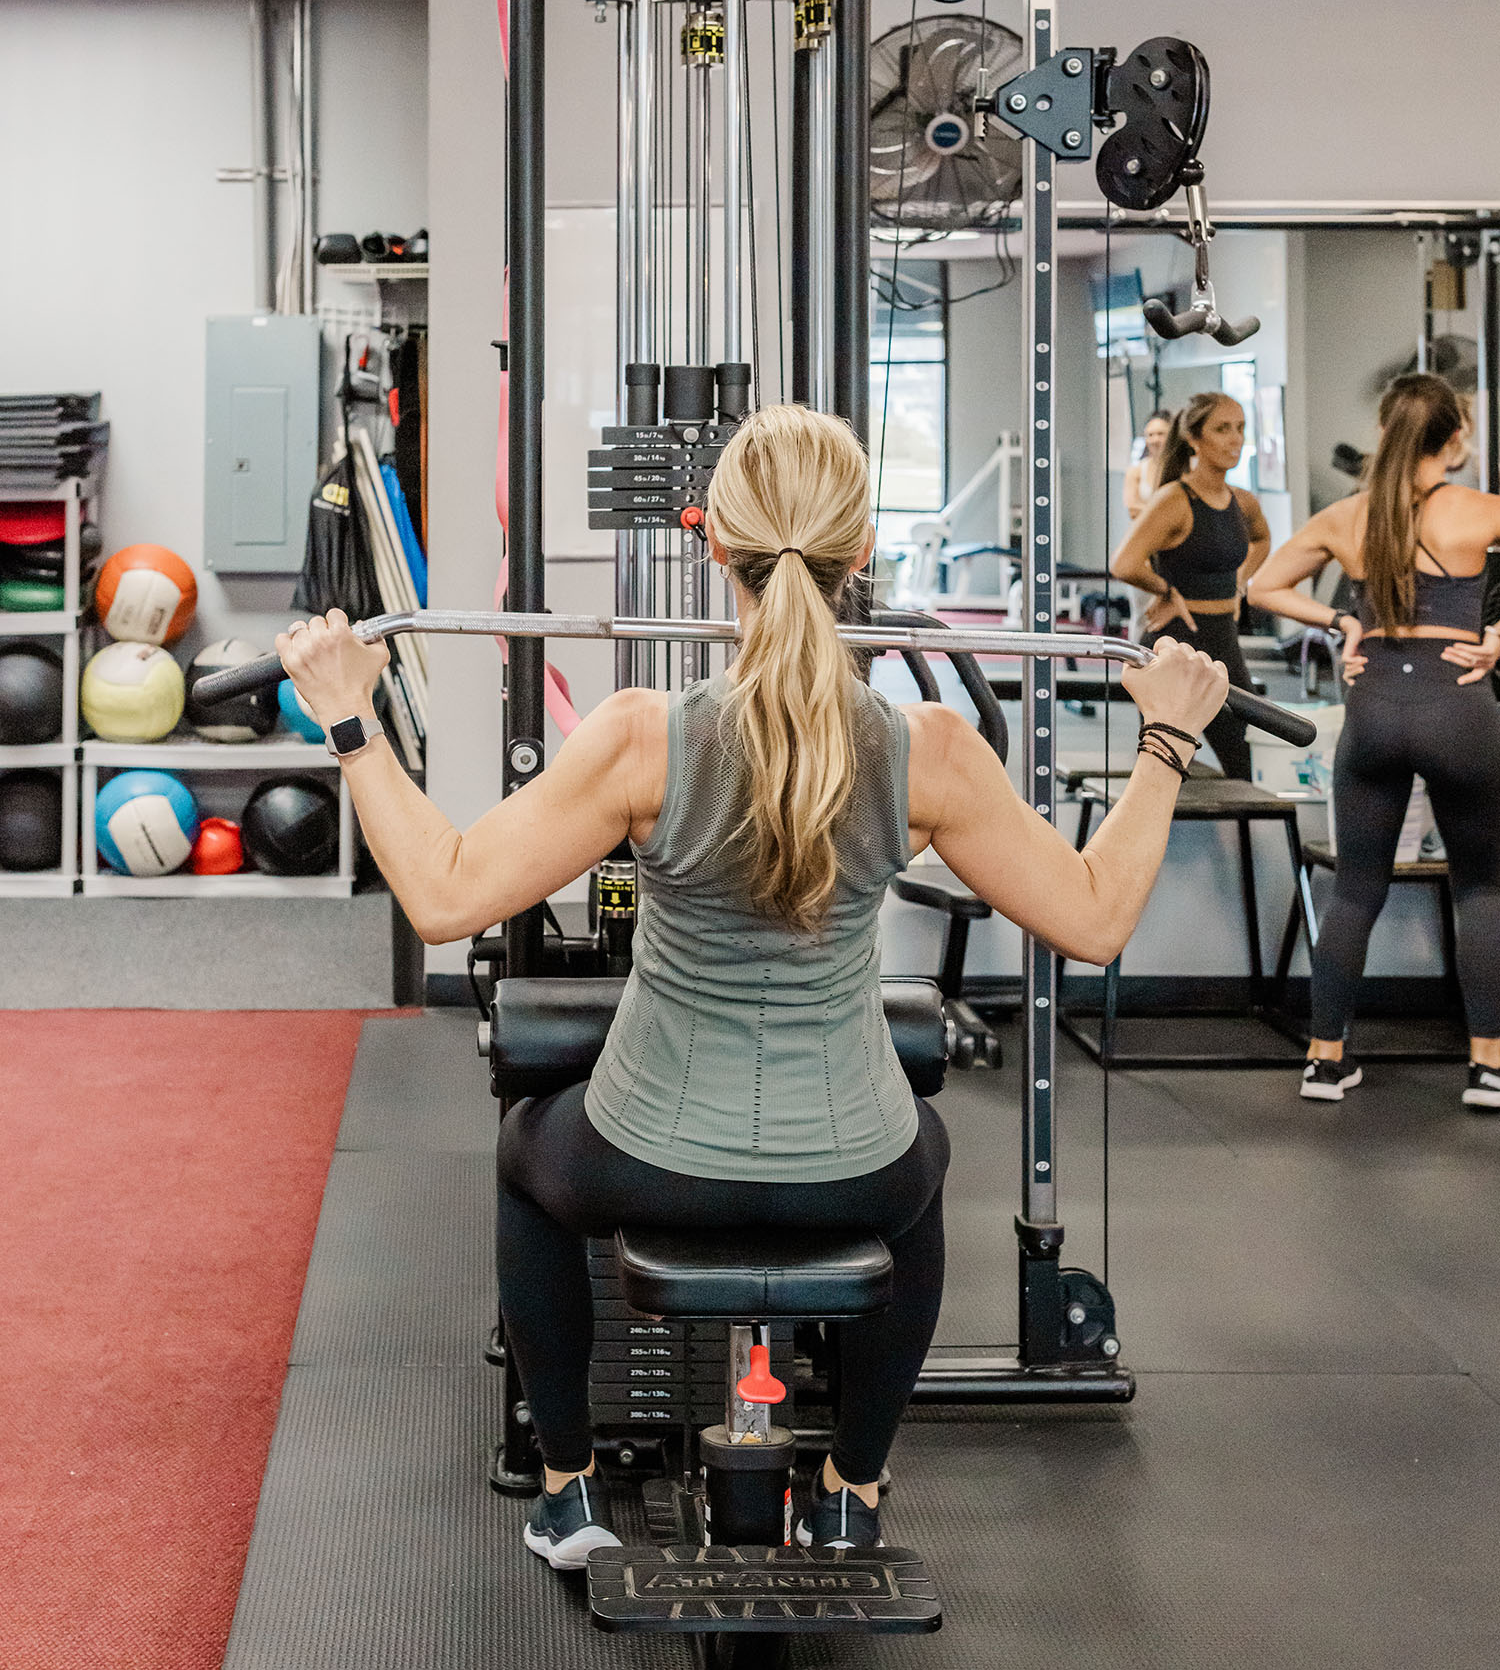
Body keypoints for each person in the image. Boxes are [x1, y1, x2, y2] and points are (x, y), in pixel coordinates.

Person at [275, 405, 1227, 1567]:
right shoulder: (928, 749)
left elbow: (443, 891)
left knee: (527, 1152)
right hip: (853, 1165)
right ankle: (850, 1486)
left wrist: (349, 716)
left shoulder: (640, 739)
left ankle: (566, 1487)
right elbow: (1094, 915)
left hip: (647, 1148)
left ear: (710, 547)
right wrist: (1167, 740)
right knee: (921, 1168)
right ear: (862, 552)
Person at [1246, 373, 1500, 1110]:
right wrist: (1494, 639)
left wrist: (1343, 623)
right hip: (1458, 703)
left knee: (1356, 889)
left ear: (1387, 431)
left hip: (1376, 702)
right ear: (1454, 438)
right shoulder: (1481, 511)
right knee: (1482, 887)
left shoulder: (1347, 517)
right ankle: (1487, 1066)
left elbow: (1261, 588)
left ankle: (1325, 1061)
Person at [1110, 392, 1272, 782]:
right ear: (1194, 440)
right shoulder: (1174, 499)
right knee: (1165, 767)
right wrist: (1166, 591)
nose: (1235, 439)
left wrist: (1239, 583)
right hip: (1175, 640)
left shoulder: (1243, 502)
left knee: (1243, 760)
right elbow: (1124, 563)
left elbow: (1262, 539)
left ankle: (1245, 838)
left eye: (1240, 428)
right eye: (1222, 429)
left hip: (1224, 641)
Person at [1123, 409, 1172, 521]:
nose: (1155, 440)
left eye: (1161, 434)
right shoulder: (1135, 471)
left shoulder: (1183, 468)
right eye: (1150, 435)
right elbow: (1133, 511)